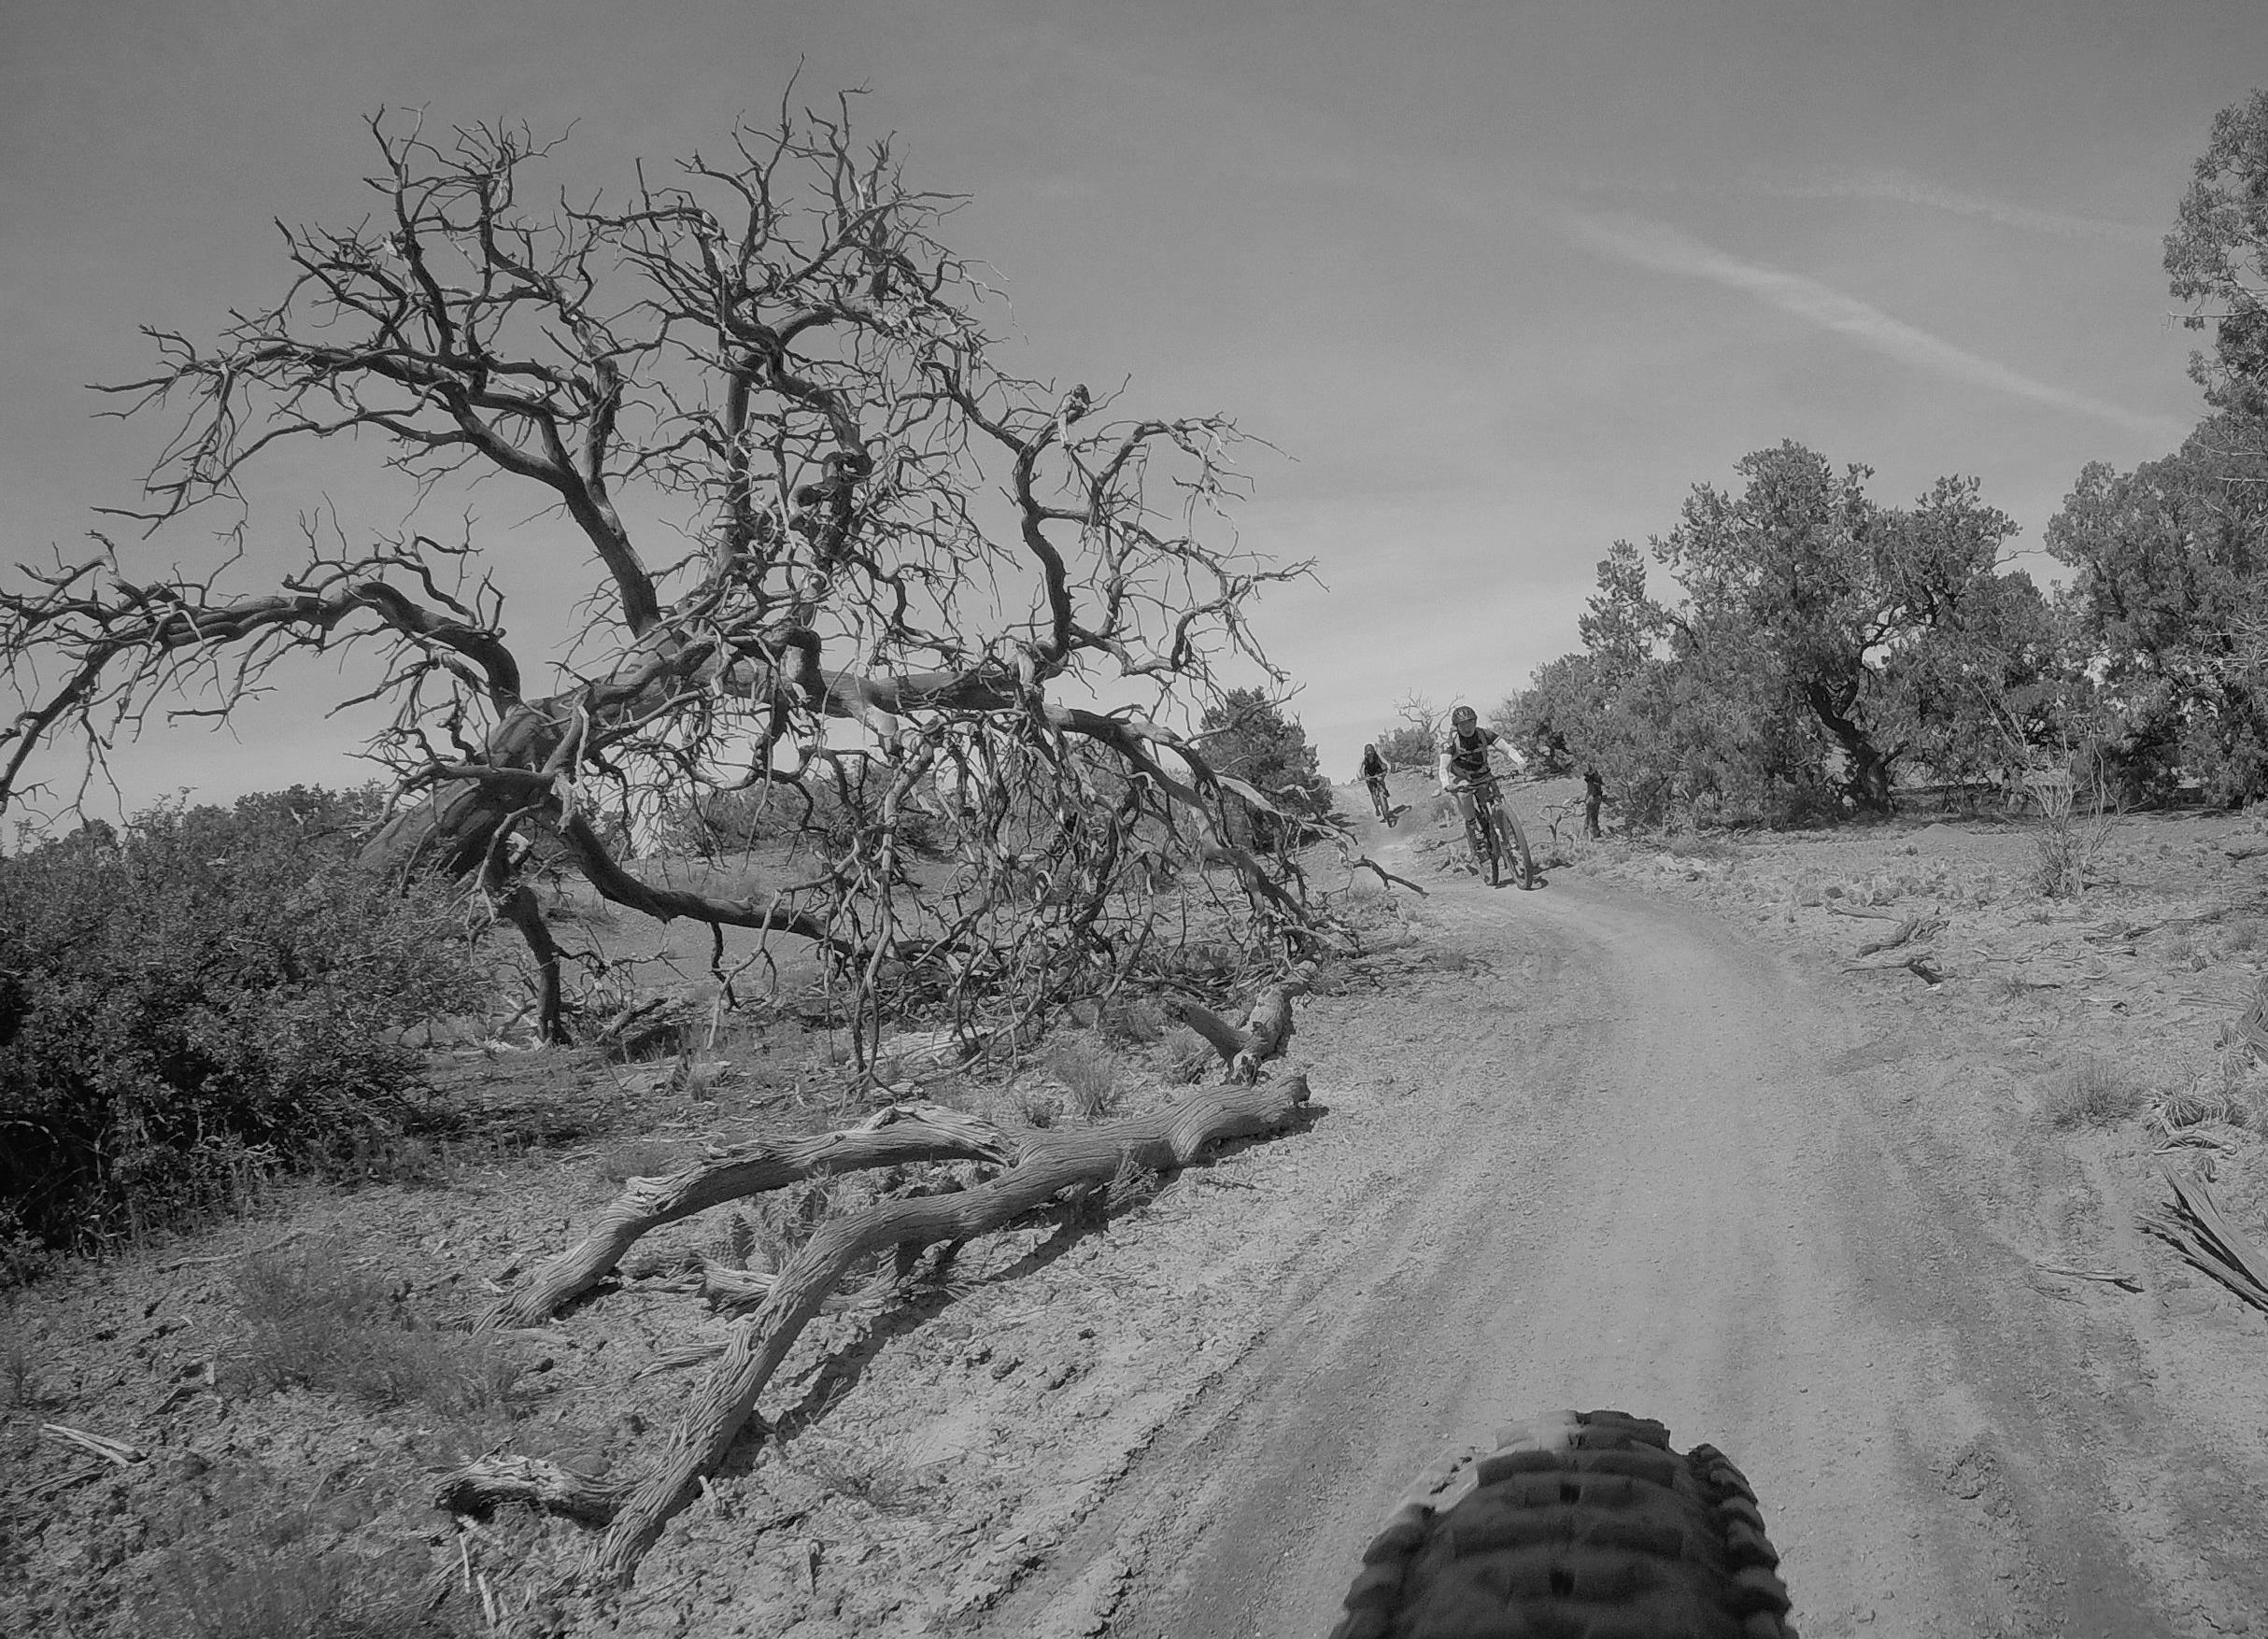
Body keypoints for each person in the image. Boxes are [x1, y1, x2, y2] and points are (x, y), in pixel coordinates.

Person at [1437, 706, 1525, 868]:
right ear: (1457, 726)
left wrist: (1520, 761)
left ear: (1475, 722)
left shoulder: (1485, 734)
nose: (1467, 727)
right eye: (1463, 724)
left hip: (1484, 775)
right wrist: (1446, 784)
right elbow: (1443, 768)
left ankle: (1510, 837)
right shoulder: (1450, 744)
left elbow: (1507, 749)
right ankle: (1472, 825)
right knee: (1464, 795)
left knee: (1499, 801)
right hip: (1463, 778)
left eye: (1470, 722)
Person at [1358, 742, 1392, 824]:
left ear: (1373, 752)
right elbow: (1360, 769)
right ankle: (1377, 808)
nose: (1370, 755)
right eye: (1368, 754)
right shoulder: (1364, 759)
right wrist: (1361, 776)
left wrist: (1388, 766)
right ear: (1366, 753)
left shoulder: (1378, 756)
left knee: (1380, 780)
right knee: (1372, 791)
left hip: (1378, 772)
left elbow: (1385, 762)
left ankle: (1384, 790)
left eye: (1371, 753)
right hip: (1369, 775)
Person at [1582, 765, 1606, 840]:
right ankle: (1590, 834)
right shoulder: (1594, 781)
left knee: (1591, 816)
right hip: (1593, 798)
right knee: (1592, 816)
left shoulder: (1592, 781)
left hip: (1593, 798)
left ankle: (1591, 833)